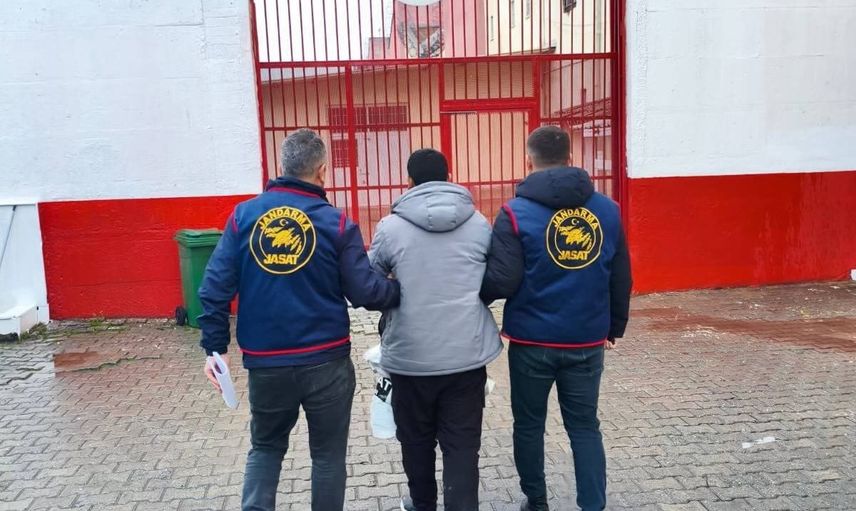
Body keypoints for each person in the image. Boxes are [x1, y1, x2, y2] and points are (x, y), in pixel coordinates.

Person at [197, 129, 400, 511]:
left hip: (266, 362)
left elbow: (213, 287)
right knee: (327, 456)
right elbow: (365, 292)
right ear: (322, 171)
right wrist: (400, 291)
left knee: (265, 448)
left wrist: (215, 347)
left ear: (282, 166)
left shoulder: (244, 217)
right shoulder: (336, 223)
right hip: (326, 360)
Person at [481, 126, 632, 511]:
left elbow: (503, 280)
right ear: (570, 157)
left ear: (528, 160)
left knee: (529, 425)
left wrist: (474, 298)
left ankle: (536, 501)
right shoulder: (608, 211)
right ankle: (592, 505)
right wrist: (614, 327)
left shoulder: (515, 213)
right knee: (584, 426)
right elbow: (621, 276)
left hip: (532, 341)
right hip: (586, 339)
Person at [369, 149, 503, 511]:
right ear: (449, 177)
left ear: (409, 182)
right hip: (466, 355)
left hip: (410, 357)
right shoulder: (478, 223)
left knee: (415, 441)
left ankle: (422, 504)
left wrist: (397, 293)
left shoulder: (390, 228)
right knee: (462, 446)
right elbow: (493, 277)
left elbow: (369, 283)